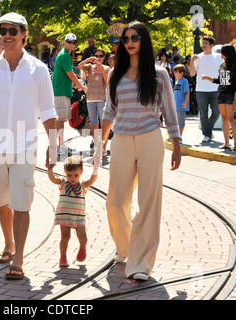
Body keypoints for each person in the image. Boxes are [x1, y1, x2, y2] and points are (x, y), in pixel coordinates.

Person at [0, 12, 58, 280]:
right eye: (2, 30)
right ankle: (9, 243)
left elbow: (49, 111)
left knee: (22, 201)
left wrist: (53, 148)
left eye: (12, 30)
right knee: (0, 198)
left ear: (23, 35)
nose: (6, 35)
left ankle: (18, 257)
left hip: (24, 143)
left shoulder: (39, 70)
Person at [101, 21, 181, 281]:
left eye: (135, 37)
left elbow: (169, 111)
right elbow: (109, 111)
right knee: (115, 202)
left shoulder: (159, 74)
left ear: (144, 40)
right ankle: (126, 249)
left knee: (149, 203)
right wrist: (100, 142)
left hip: (150, 140)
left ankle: (141, 263)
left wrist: (176, 143)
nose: (130, 42)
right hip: (121, 140)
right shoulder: (115, 74)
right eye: (125, 39)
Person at [47, 155, 97, 267]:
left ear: (81, 172)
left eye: (76, 175)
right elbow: (53, 179)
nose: (72, 178)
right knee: (65, 237)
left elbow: (92, 180)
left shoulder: (83, 185)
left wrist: (96, 169)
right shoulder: (63, 182)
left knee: (83, 237)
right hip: (65, 216)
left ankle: (82, 248)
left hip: (78, 216)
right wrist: (50, 170)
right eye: (69, 175)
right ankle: (63, 257)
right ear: (65, 172)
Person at [52, 33, 86, 158]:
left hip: (61, 91)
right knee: (60, 120)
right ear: (65, 42)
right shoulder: (65, 55)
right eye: (69, 41)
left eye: (73, 42)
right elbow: (71, 74)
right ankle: (58, 147)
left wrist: (75, 85)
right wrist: (82, 87)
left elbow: (68, 75)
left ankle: (58, 145)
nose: (72, 44)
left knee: (59, 120)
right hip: (60, 92)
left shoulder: (63, 54)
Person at [190, 35, 224, 143]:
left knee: (217, 112)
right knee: (203, 114)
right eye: (202, 43)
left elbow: (223, 72)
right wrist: (191, 60)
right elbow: (192, 73)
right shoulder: (197, 57)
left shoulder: (218, 57)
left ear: (211, 45)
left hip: (216, 89)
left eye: (205, 43)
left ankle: (208, 130)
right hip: (201, 90)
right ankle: (207, 134)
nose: (203, 45)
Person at [202, 44, 236, 150]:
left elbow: (235, 83)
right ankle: (226, 143)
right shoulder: (222, 65)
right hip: (222, 94)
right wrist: (209, 78)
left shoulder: (235, 65)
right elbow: (221, 81)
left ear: (226, 53)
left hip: (231, 95)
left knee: (231, 119)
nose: (220, 53)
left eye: (222, 52)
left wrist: (235, 99)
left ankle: (235, 144)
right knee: (224, 118)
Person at [78, 48, 110, 155]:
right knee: (94, 124)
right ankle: (96, 146)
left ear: (104, 57)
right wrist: (88, 59)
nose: (98, 58)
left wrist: (100, 67)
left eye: (101, 56)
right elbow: (79, 66)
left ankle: (104, 148)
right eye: (97, 55)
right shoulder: (89, 67)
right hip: (90, 99)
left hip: (102, 98)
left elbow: (107, 81)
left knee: (103, 124)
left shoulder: (106, 68)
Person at [173, 64, 190, 140]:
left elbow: (187, 92)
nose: (174, 74)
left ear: (181, 73)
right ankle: (176, 135)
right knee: (176, 122)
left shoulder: (184, 81)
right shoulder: (177, 81)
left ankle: (180, 136)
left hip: (181, 105)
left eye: (176, 72)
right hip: (175, 105)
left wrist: (186, 102)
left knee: (181, 122)